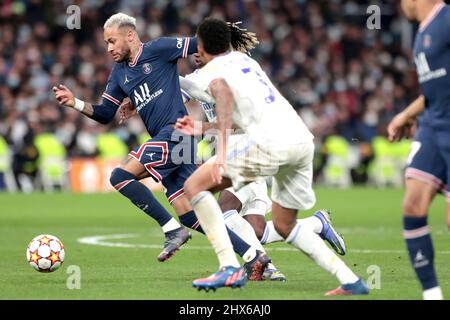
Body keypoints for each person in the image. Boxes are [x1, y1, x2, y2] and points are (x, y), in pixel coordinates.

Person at [53, 13, 271, 282]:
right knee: (192, 216)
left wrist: (226, 35)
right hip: (172, 142)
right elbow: (105, 113)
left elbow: (200, 43)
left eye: (112, 41)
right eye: (106, 43)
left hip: (176, 132)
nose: (108, 48)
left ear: (129, 35)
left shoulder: (159, 49)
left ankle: (171, 231)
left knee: (119, 176)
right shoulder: (119, 74)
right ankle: (253, 256)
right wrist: (75, 102)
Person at [176, 17, 369, 294]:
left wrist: (219, 148)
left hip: (268, 144)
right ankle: (351, 280)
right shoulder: (246, 62)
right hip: (301, 141)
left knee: (194, 186)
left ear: (202, 45)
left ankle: (229, 267)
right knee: (284, 224)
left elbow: (223, 94)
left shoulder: (213, 70)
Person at [387, 0, 450, 300]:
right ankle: (432, 295)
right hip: (432, 126)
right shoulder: (420, 32)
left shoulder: (448, 20)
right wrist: (406, 115)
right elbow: (433, 90)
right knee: (412, 203)